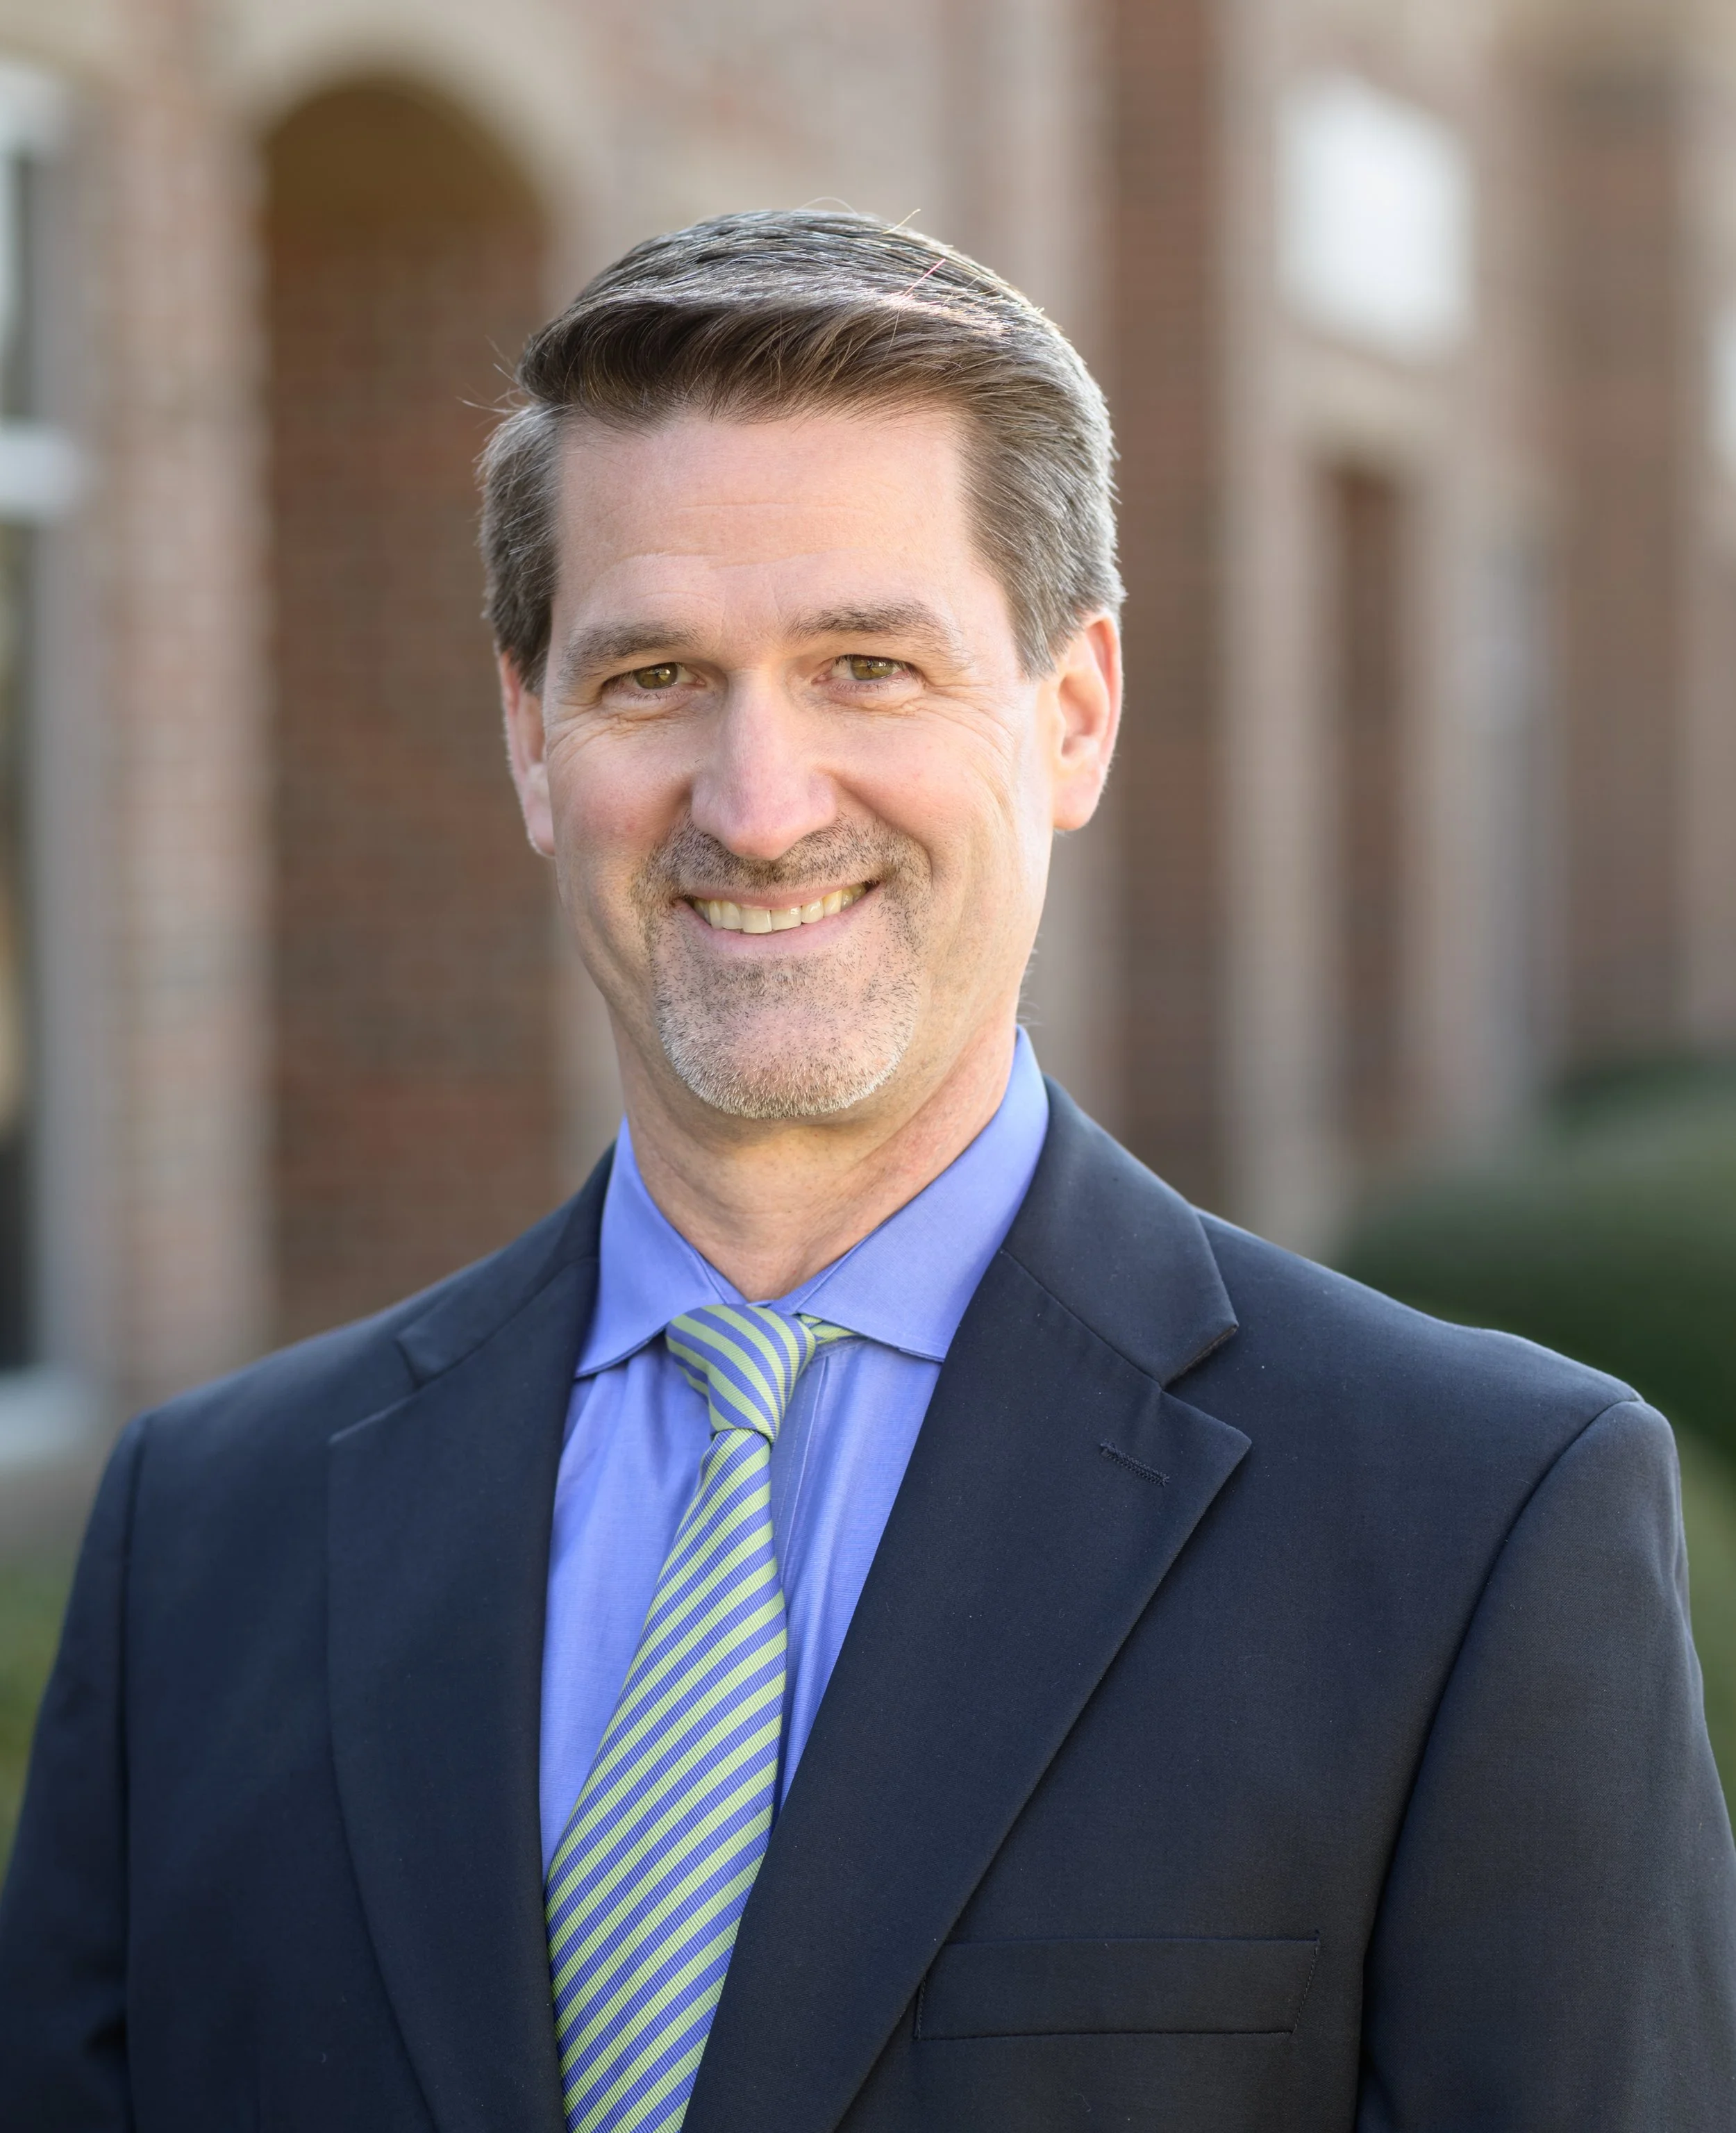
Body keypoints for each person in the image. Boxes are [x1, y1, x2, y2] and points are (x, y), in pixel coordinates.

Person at [1, 208, 1733, 2133]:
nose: (754, 804)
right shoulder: (210, 1539)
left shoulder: (1467, 1522)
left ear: (1069, 711)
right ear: (528, 733)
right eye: (652, 675)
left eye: (865, 666)